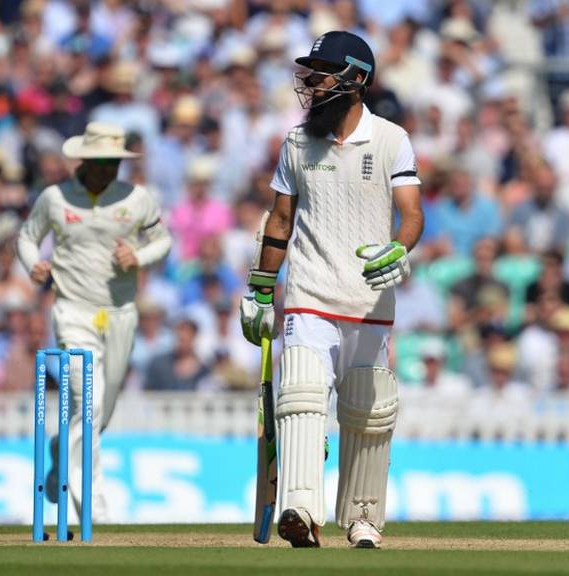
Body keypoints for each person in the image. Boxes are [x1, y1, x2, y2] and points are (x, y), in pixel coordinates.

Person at [239, 31, 423, 549]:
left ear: (357, 79)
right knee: (299, 394)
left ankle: (363, 518)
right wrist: (259, 290)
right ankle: (300, 508)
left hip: (368, 298)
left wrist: (398, 249)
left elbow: (411, 214)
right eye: (311, 74)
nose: (313, 83)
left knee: (368, 411)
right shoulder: (297, 143)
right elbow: (280, 219)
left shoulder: (391, 138)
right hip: (308, 294)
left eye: (323, 73)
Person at [16, 121, 172, 522]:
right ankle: (94, 509)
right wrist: (34, 265)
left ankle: (59, 454)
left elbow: (163, 241)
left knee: (101, 411)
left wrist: (139, 257)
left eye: (115, 163)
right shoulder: (55, 198)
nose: (107, 170)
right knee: (89, 402)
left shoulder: (137, 198)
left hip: (120, 314)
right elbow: (27, 238)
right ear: (83, 159)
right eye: (101, 162)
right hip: (73, 312)